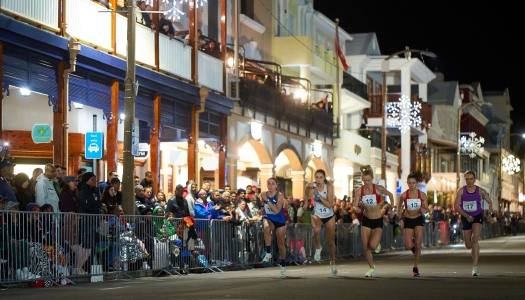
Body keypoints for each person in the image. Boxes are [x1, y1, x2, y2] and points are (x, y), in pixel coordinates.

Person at [353, 165, 394, 277]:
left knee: (372, 245)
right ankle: (371, 268)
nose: (366, 183)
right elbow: (355, 206)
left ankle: (377, 244)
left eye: (369, 180)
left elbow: (390, 195)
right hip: (366, 219)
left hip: (377, 220)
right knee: (365, 246)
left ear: (372, 179)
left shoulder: (378, 188)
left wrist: (392, 209)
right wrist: (356, 209)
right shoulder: (358, 191)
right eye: (364, 180)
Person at [454, 170, 493, 276]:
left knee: (474, 239)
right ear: (465, 179)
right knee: (468, 244)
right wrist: (466, 215)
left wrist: (489, 214)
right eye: (467, 179)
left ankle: (475, 267)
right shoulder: (461, 191)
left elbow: (489, 201)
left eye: (471, 179)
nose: (469, 181)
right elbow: (456, 207)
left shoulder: (480, 191)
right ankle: (473, 251)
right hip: (465, 216)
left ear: (474, 179)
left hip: (477, 216)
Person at [303, 169, 337, 276]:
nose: (318, 180)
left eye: (320, 177)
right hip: (317, 213)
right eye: (316, 177)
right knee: (316, 228)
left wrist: (318, 196)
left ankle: (333, 262)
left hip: (329, 214)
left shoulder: (329, 187)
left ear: (324, 178)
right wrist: (306, 201)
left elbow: (330, 204)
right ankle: (318, 247)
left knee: (330, 242)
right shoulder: (311, 185)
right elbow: (306, 188)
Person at [397, 171, 428, 277]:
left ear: (417, 183)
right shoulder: (404, 195)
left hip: (419, 219)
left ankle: (415, 267)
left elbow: (427, 208)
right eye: (409, 183)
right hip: (408, 219)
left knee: (418, 245)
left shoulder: (422, 195)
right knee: (408, 245)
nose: (411, 185)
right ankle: (413, 243)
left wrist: (424, 209)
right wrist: (400, 218)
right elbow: (399, 207)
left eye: (413, 183)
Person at [260, 177, 288, 277]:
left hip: (279, 221)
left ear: (276, 185)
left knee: (281, 245)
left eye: (273, 184)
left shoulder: (279, 196)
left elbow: (276, 211)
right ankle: (268, 253)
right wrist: (261, 209)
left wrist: (267, 200)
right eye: (269, 184)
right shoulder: (263, 194)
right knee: (266, 227)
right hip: (269, 218)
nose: (270, 186)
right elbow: (263, 205)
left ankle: (283, 265)